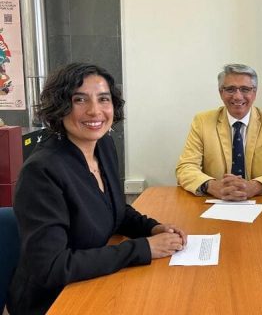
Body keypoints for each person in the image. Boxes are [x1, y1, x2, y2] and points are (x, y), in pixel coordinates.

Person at [7, 63, 187, 315]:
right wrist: (143, 249)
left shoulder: (103, 145)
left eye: (103, 99)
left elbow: (112, 208)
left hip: (93, 282)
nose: (94, 111)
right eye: (79, 100)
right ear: (60, 106)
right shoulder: (42, 172)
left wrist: (151, 228)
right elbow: (52, 267)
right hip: (53, 301)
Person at [176, 63, 262, 201]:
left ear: (254, 93)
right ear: (221, 92)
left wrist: (254, 186)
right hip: (216, 201)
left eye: (245, 89)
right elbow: (186, 167)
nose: (238, 96)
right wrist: (212, 186)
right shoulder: (202, 122)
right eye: (230, 89)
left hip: (259, 201)